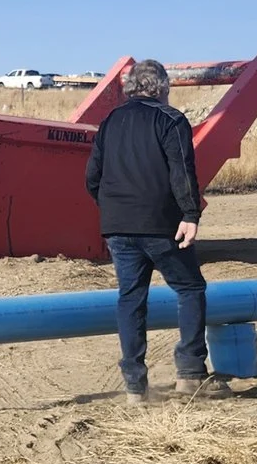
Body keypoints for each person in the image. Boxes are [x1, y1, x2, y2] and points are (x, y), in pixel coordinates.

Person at [82, 57, 220, 403]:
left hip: (117, 227)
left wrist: (113, 209)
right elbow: (182, 172)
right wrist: (190, 214)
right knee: (190, 288)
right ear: (163, 88)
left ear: (130, 88)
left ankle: (135, 387)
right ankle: (189, 373)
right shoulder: (171, 120)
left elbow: (91, 178)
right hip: (162, 226)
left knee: (131, 299)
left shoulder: (110, 121)